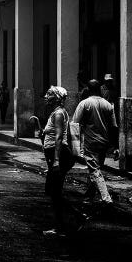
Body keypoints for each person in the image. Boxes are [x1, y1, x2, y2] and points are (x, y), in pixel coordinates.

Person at [72, 79, 118, 209]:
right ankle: (90, 193)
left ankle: (106, 197)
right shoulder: (108, 105)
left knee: (94, 170)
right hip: (104, 142)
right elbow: (114, 127)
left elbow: (75, 125)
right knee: (97, 168)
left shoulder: (84, 103)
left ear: (88, 89)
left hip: (90, 142)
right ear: (100, 89)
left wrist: (74, 146)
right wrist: (115, 146)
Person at [41, 86, 76, 237]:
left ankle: (63, 225)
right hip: (55, 155)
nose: (46, 96)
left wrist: (55, 161)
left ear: (57, 97)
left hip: (60, 155)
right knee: (52, 190)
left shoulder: (59, 114)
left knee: (55, 192)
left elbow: (59, 138)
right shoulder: (55, 113)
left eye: (49, 94)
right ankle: (63, 223)